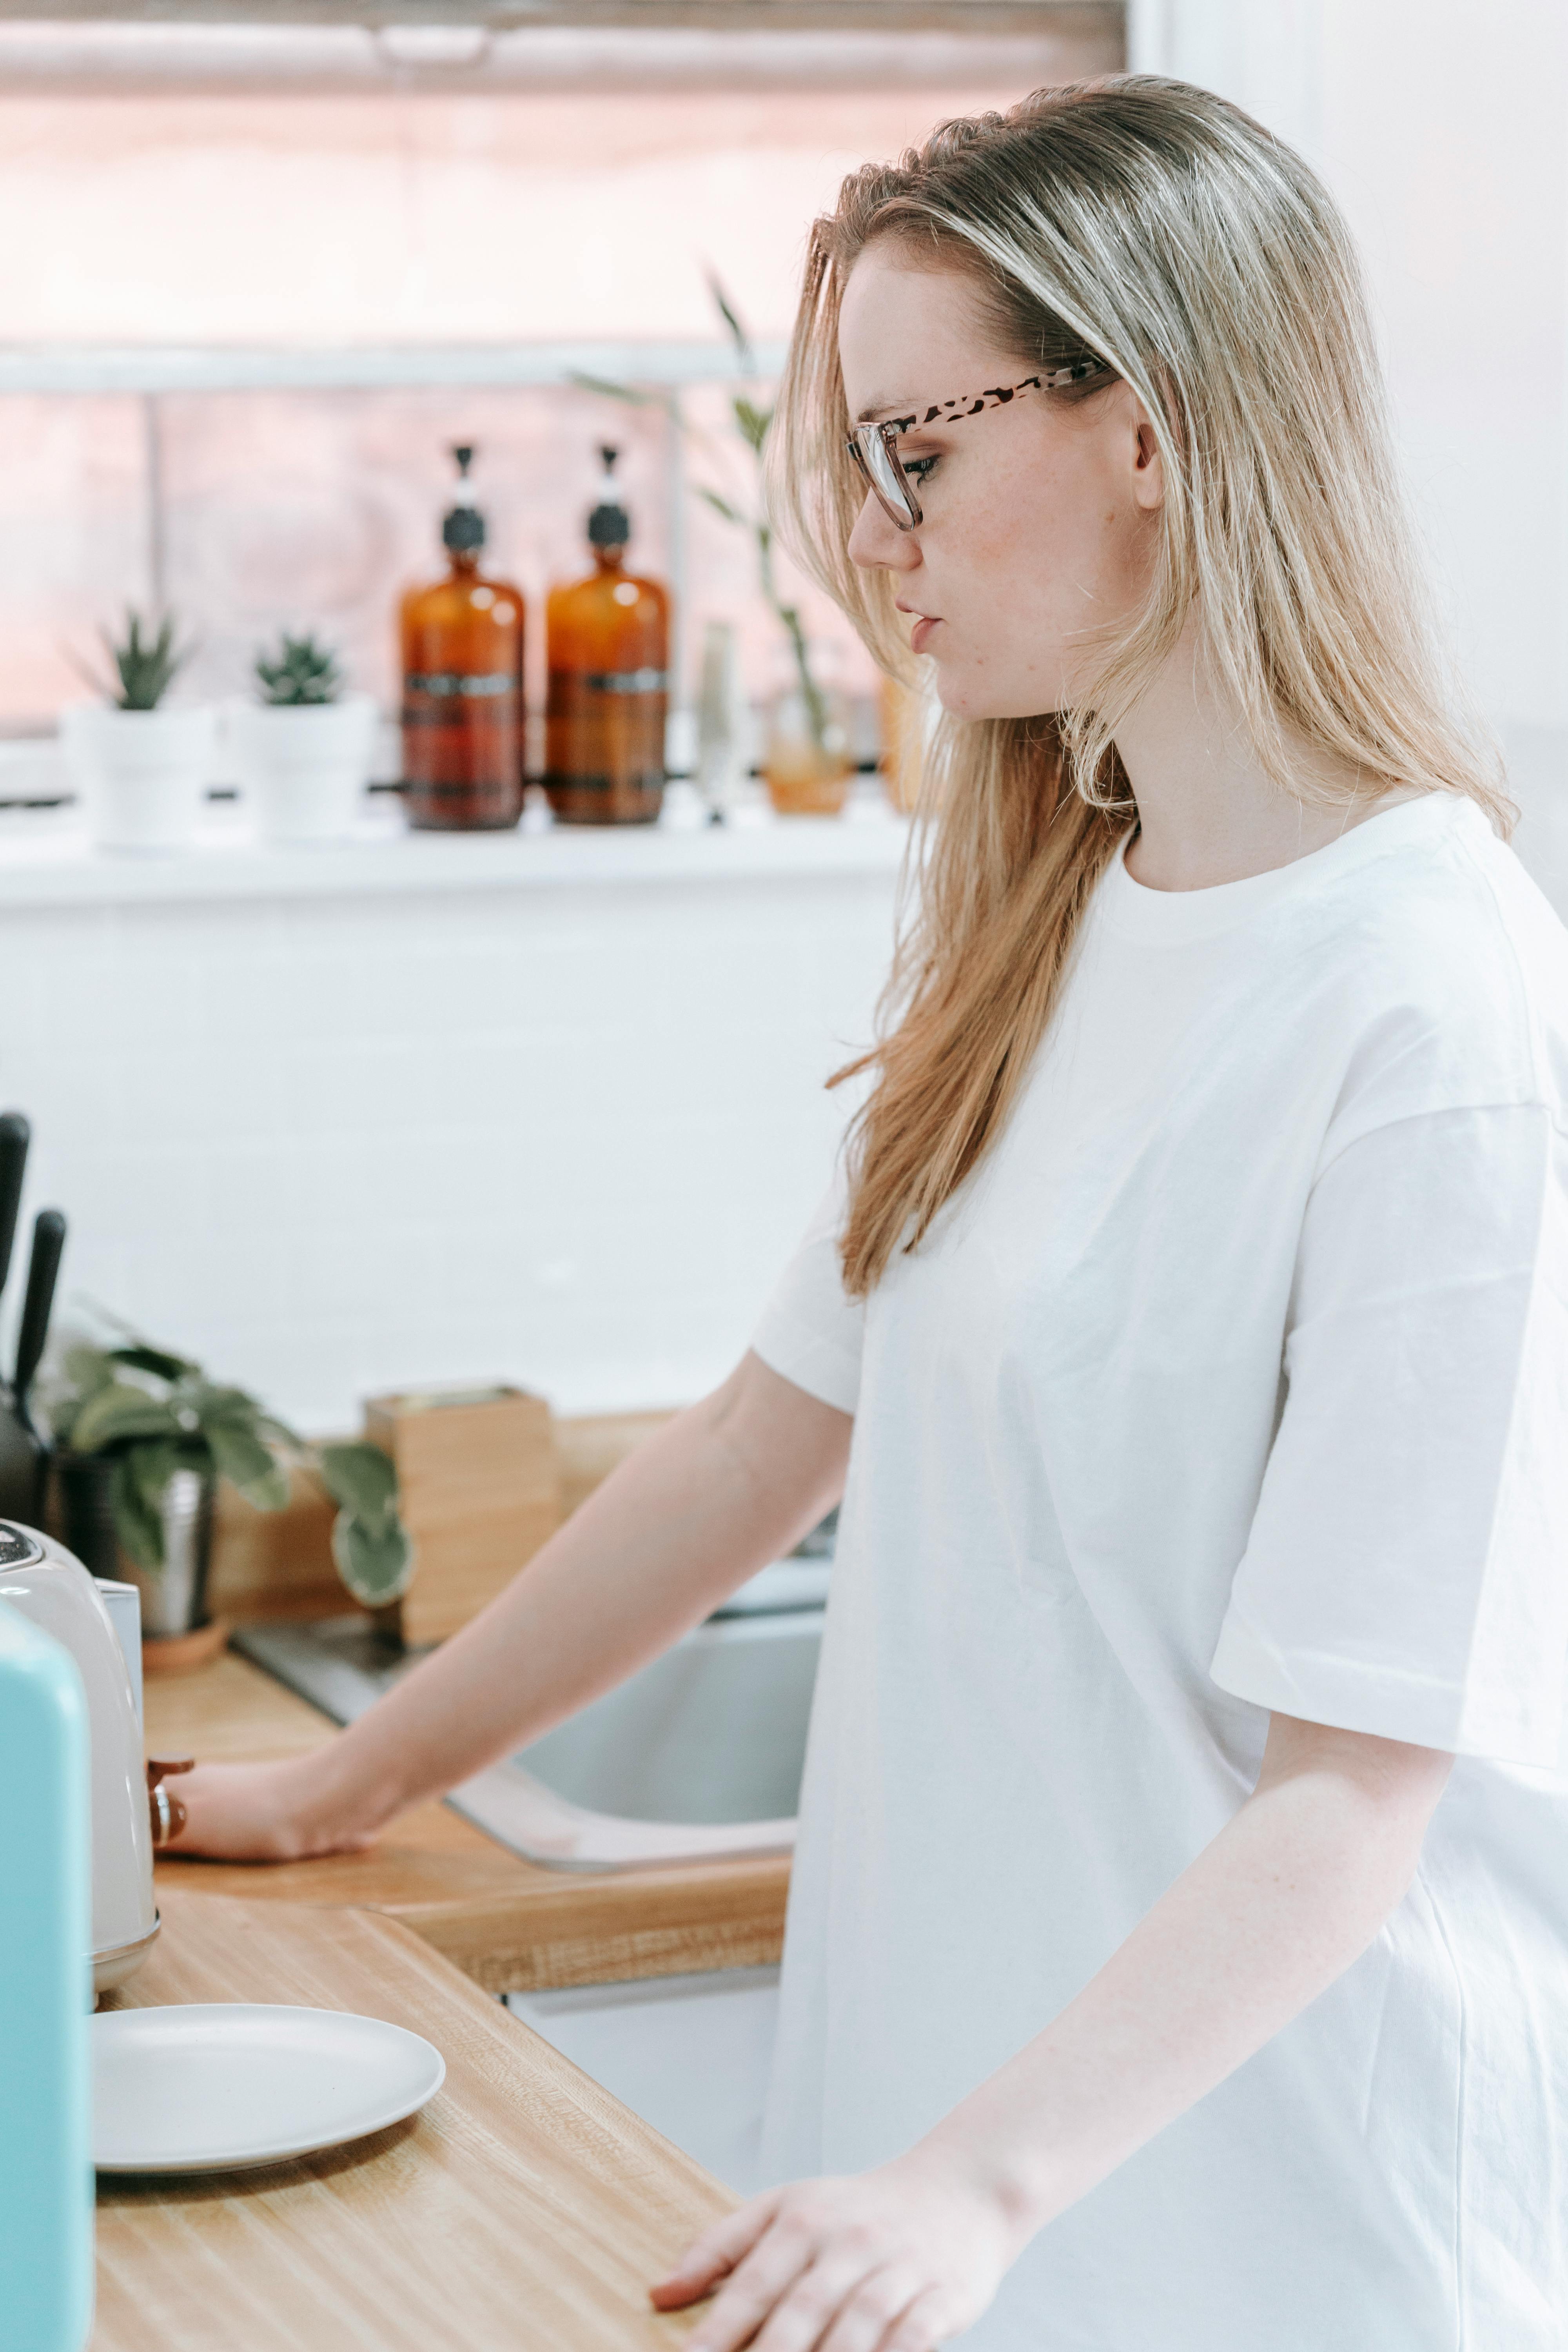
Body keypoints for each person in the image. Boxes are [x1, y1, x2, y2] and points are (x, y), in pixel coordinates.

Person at [171, 76, 1568, 2350]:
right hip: (947, 2190)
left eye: (921, 453)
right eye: (861, 464)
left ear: (1155, 423)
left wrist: (973, 2190)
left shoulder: (1442, 996)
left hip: (1263, 2236)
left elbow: (1355, 1798)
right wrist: (356, 1779)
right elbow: (754, 1446)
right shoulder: (1047, 911)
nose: (874, 535)